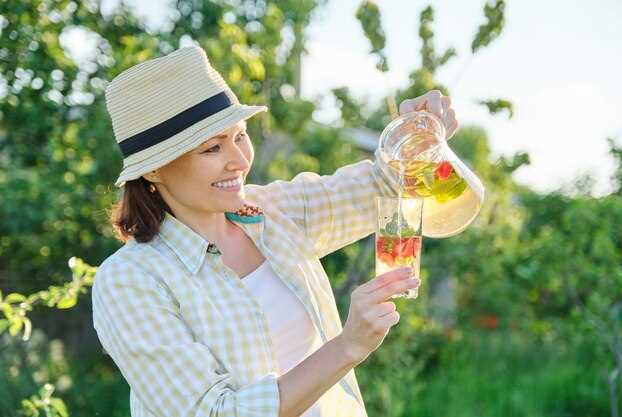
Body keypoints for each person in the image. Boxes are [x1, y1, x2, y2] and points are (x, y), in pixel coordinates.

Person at [91, 45, 459, 417]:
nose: (238, 160)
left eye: (239, 136)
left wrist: (417, 133)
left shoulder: (275, 213)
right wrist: (349, 346)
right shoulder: (129, 280)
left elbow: (387, 183)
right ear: (153, 170)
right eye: (212, 148)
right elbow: (218, 413)